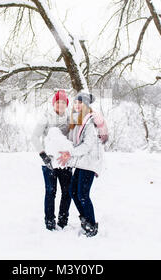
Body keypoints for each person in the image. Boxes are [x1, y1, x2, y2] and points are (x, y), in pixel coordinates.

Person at [57, 92, 104, 237]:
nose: (77, 105)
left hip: (89, 162)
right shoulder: (77, 120)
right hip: (81, 162)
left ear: (86, 106)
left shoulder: (89, 123)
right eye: (75, 103)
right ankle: (85, 220)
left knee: (82, 194)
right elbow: (69, 137)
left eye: (80, 103)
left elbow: (87, 145)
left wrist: (70, 153)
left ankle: (91, 224)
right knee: (73, 191)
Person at [31, 90, 73, 231]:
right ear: (54, 103)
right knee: (51, 192)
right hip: (49, 161)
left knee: (67, 192)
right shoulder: (46, 117)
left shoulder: (70, 119)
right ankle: (49, 221)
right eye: (58, 102)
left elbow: (74, 138)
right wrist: (43, 155)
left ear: (66, 104)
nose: (60, 105)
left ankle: (63, 220)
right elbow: (34, 137)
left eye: (63, 102)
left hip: (65, 162)